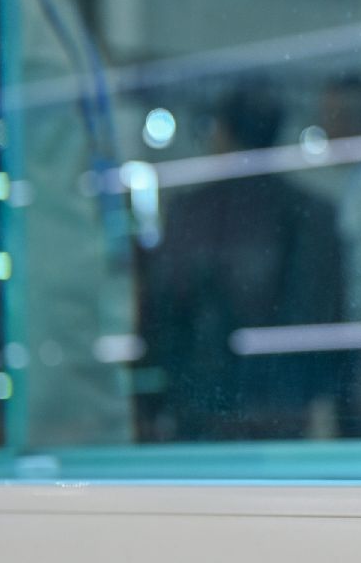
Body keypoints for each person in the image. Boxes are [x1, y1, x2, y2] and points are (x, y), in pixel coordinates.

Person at [137, 84, 343, 441]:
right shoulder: (310, 211)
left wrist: (151, 404)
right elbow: (321, 315)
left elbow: (161, 313)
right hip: (276, 409)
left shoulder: (189, 212)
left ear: (223, 132)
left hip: (203, 406)